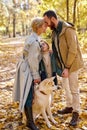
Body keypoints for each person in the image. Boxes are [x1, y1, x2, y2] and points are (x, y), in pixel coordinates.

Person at [43, 10, 84, 126]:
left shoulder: (68, 29)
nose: (46, 24)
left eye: (46, 21)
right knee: (66, 87)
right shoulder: (55, 32)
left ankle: (76, 112)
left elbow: (73, 49)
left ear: (52, 19)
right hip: (63, 66)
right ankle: (69, 106)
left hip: (72, 65)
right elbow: (58, 47)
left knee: (74, 89)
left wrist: (67, 67)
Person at [13, 17, 47, 130]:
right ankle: (30, 122)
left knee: (27, 93)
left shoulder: (34, 38)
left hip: (25, 67)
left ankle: (26, 116)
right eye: (43, 25)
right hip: (27, 70)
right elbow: (33, 60)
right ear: (38, 27)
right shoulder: (34, 42)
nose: (45, 27)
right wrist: (36, 76)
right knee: (28, 94)